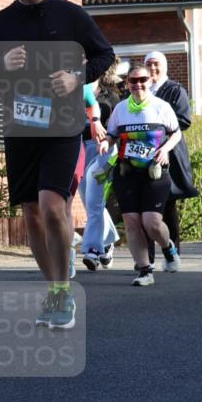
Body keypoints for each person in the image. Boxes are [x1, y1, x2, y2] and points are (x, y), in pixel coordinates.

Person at [0, 0, 114, 329]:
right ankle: (54, 290)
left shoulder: (71, 15)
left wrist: (76, 77)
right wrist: (1, 62)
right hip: (20, 129)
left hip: (62, 126)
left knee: (52, 205)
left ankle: (64, 291)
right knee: (32, 213)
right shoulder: (1, 23)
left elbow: (104, 54)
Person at [98, 64, 181, 286]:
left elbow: (176, 133)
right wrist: (106, 143)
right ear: (127, 84)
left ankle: (168, 248)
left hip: (155, 172)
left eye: (142, 80)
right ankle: (145, 270)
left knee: (151, 223)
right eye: (133, 81)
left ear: (150, 81)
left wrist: (165, 149)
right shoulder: (120, 109)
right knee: (132, 222)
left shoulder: (161, 107)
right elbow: (112, 134)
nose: (138, 84)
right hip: (127, 171)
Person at [143, 51, 198, 266]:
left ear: (164, 66)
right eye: (149, 64)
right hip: (143, 153)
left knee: (167, 203)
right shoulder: (140, 90)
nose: (152, 68)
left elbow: (183, 120)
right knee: (143, 205)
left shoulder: (175, 90)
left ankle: (173, 253)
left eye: (156, 64)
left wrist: (157, 129)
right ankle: (146, 260)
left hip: (169, 151)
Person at [79, 61, 121, 271]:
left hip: (104, 151)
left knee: (95, 201)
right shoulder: (73, 90)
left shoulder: (111, 97)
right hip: (80, 149)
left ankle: (92, 250)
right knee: (89, 202)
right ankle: (108, 240)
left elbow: (118, 128)